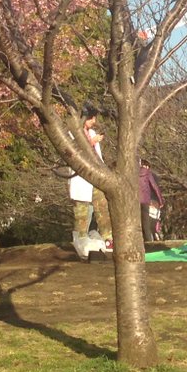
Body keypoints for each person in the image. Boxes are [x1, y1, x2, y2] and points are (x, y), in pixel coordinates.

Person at [68, 104, 112, 261]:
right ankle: (80, 239)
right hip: (80, 178)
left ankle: (108, 237)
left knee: (101, 205)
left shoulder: (92, 132)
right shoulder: (73, 133)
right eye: (92, 118)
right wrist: (92, 142)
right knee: (82, 211)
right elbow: (76, 152)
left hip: (95, 177)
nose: (94, 121)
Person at [138, 157, 164, 243]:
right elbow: (155, 187)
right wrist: (160, 201)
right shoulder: (148, 173)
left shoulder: (133, 173)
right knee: (146, 224)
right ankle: (149, 242)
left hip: (135, 201)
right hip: (145, 200)